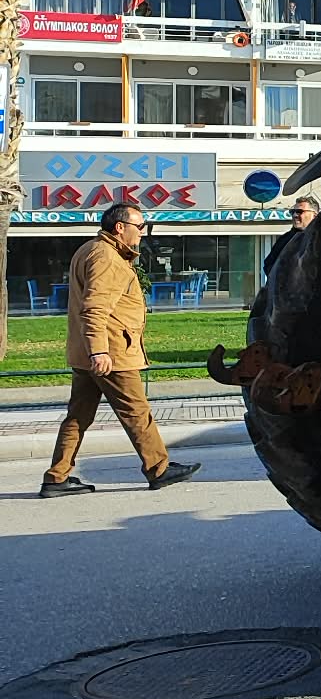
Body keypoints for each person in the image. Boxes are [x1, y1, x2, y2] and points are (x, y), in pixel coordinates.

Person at [40, 204, 201, 498]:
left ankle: (56, 477)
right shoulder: (107, 258)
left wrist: (91, 351)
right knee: (136, 412)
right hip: (110, 354)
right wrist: (99, 352)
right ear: (120, 227)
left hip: (90, 352)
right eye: (139, 227)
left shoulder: (90, 249)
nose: (142, 233)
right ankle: (158, 468)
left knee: (78, 416)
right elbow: (94, 309)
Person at [263, 196, 319, 277]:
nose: (295, 215)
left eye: (300, 211)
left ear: (314, 216)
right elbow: (269, 265)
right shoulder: (285, 239)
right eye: (292, 212)